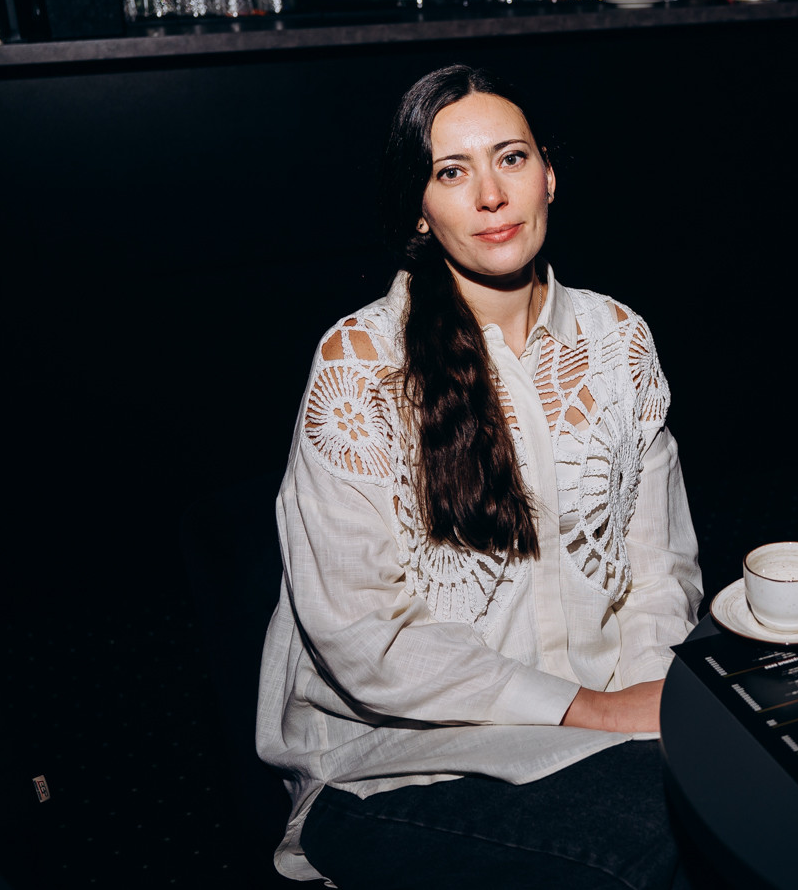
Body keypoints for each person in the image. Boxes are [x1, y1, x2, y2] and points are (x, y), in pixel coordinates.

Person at [256, 66, 703, 888]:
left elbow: (659, 567)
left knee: (750, 806)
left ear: (549, 176)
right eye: (452, 172)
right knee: (647, 859)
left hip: (603, 733)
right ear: (420, 211)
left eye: (511, 158)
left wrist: (648, 699)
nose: (492, 195)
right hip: (403, 763)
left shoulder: (617, 339)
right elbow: (367, 638)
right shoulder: (360, 368)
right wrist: (586, 711)